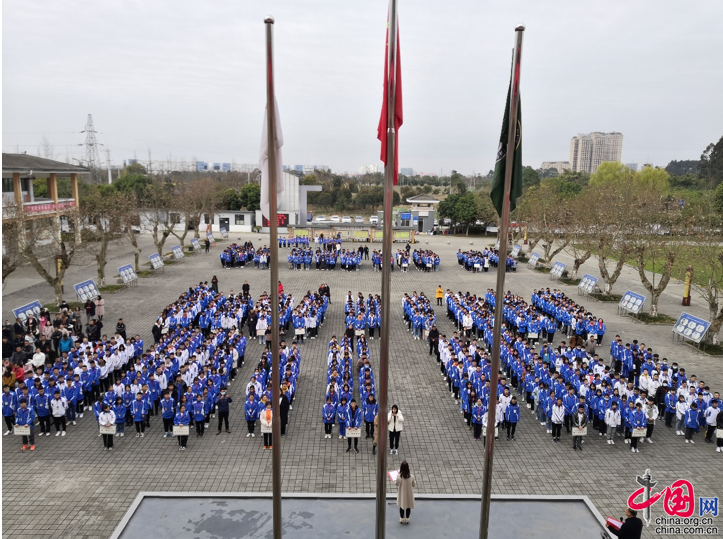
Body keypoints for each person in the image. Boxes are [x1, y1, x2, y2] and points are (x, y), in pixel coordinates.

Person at [395, 460, 416, 525]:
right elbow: (414, 484)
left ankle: (401, 519)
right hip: (409, 494)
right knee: (408, 506)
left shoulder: (399, 476)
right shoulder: (411, 476)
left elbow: (397, 484)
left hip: (402, 494)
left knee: (402, 506)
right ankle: (407, 519)